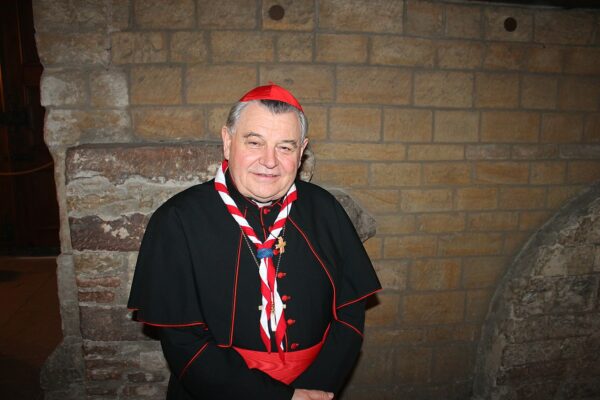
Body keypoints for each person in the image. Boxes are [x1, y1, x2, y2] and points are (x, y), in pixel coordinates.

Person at [128, 84, 381, 400]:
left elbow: (350, 314)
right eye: (254, 142)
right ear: (227, 141)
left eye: (285, 147)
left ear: (301, 151)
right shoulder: (177, 220)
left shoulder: (325, 210)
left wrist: (314, 391)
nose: (269, 161)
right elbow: (184, 344)